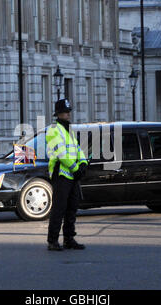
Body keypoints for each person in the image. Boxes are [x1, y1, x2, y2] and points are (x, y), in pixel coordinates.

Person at [45, 99, 89, 251]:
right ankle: (52, 241)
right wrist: (76, 168)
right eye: (65, 112)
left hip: (72, 175)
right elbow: (61, 153)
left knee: (72, 208)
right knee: (59, 208)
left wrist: (83, 163)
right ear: (58, 113)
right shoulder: (53, 130)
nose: (68, 114)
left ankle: (69, 239)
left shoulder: (68, 129)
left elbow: (77, 149)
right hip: (61, 175)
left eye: (69, 112)